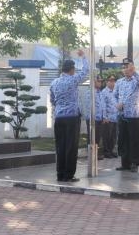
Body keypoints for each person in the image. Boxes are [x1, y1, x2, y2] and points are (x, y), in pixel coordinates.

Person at [50, 50, 88, 182]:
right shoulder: (73, 80)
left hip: (59, 117)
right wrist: (83, 56)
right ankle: (68, 175)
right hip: (72, 118)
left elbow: (52, 100)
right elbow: (86, 70)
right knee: (71, 147)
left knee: (60, 146)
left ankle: (60, 174)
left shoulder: (54, 82)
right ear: (71, 70)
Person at [114, 58, 139, 173]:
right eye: (124, 67)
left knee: (134, 140)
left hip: (135, 115)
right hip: (122, 115)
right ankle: (125, 163)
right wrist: (117, 104)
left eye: (127, 67)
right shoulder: (119, 82)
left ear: (132, 67)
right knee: (123, 140)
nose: (125, 69)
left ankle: (134, 163)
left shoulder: (137, 79)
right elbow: (114, 95)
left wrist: (134, 72)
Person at [83, 76, 104, 160]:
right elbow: (89, 106)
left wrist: (103, 116)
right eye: (98, 81)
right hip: (92, 119)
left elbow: (102, 106)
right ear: (93, 82)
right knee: (91, 137)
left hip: (99, 119)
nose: (100, 83)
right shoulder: (90, 92)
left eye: (100, 81)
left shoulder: (100, 92)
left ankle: (96, 154)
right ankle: (91, 155)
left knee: (97, 137)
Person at [101, 75, 118, 158]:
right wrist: (104, 117)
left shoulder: (115, 91)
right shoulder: (104, 92)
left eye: (114, 80)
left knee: (114, 137)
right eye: (110, 80)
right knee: (107, 136)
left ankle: (111, 151)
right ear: (107, 82)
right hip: (108, 118)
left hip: (116, 118)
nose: (112, 82)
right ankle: (106, 152)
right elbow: (103, 105)